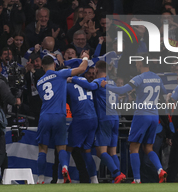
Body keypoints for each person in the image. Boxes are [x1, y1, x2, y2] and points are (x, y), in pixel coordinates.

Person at [101, 54, 168, 183]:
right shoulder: (157, 78)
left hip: (142, 115)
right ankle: (160, 170)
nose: (136, 64)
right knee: (148, 147)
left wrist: (106, 86)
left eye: (137, 62)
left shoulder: (139, 78)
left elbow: (121, 91)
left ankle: (137, 179)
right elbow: (165, 94)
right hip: (154, 116)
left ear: (141, 63)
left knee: (134, 147)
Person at [35, 52, 89, 184]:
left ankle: (40, 178)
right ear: (54, 64)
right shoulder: (61, 74)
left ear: (43, 67)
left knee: (43, 149)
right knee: (62, 148)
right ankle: (65, 168)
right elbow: (82, 69)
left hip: (45, 116)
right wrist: (85, 57)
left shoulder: (39, 82)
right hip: (60, 115)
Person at [72, 61, 126, 183]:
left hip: (104, 119)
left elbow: (90, 86)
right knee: (112, 152)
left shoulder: (99, 81)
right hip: (115, 118)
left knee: (100, 152)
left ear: (96, 70)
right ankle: (117, 178)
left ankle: (117, 174)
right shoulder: (112, 82)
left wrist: (73, 79)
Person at [56, 75, 98, 183]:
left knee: (66, 148)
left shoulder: (68, 85)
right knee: (86, 151)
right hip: (94, 118)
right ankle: (94, 179)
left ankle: (61, 176)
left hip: (81, 119)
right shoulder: (86, 82)